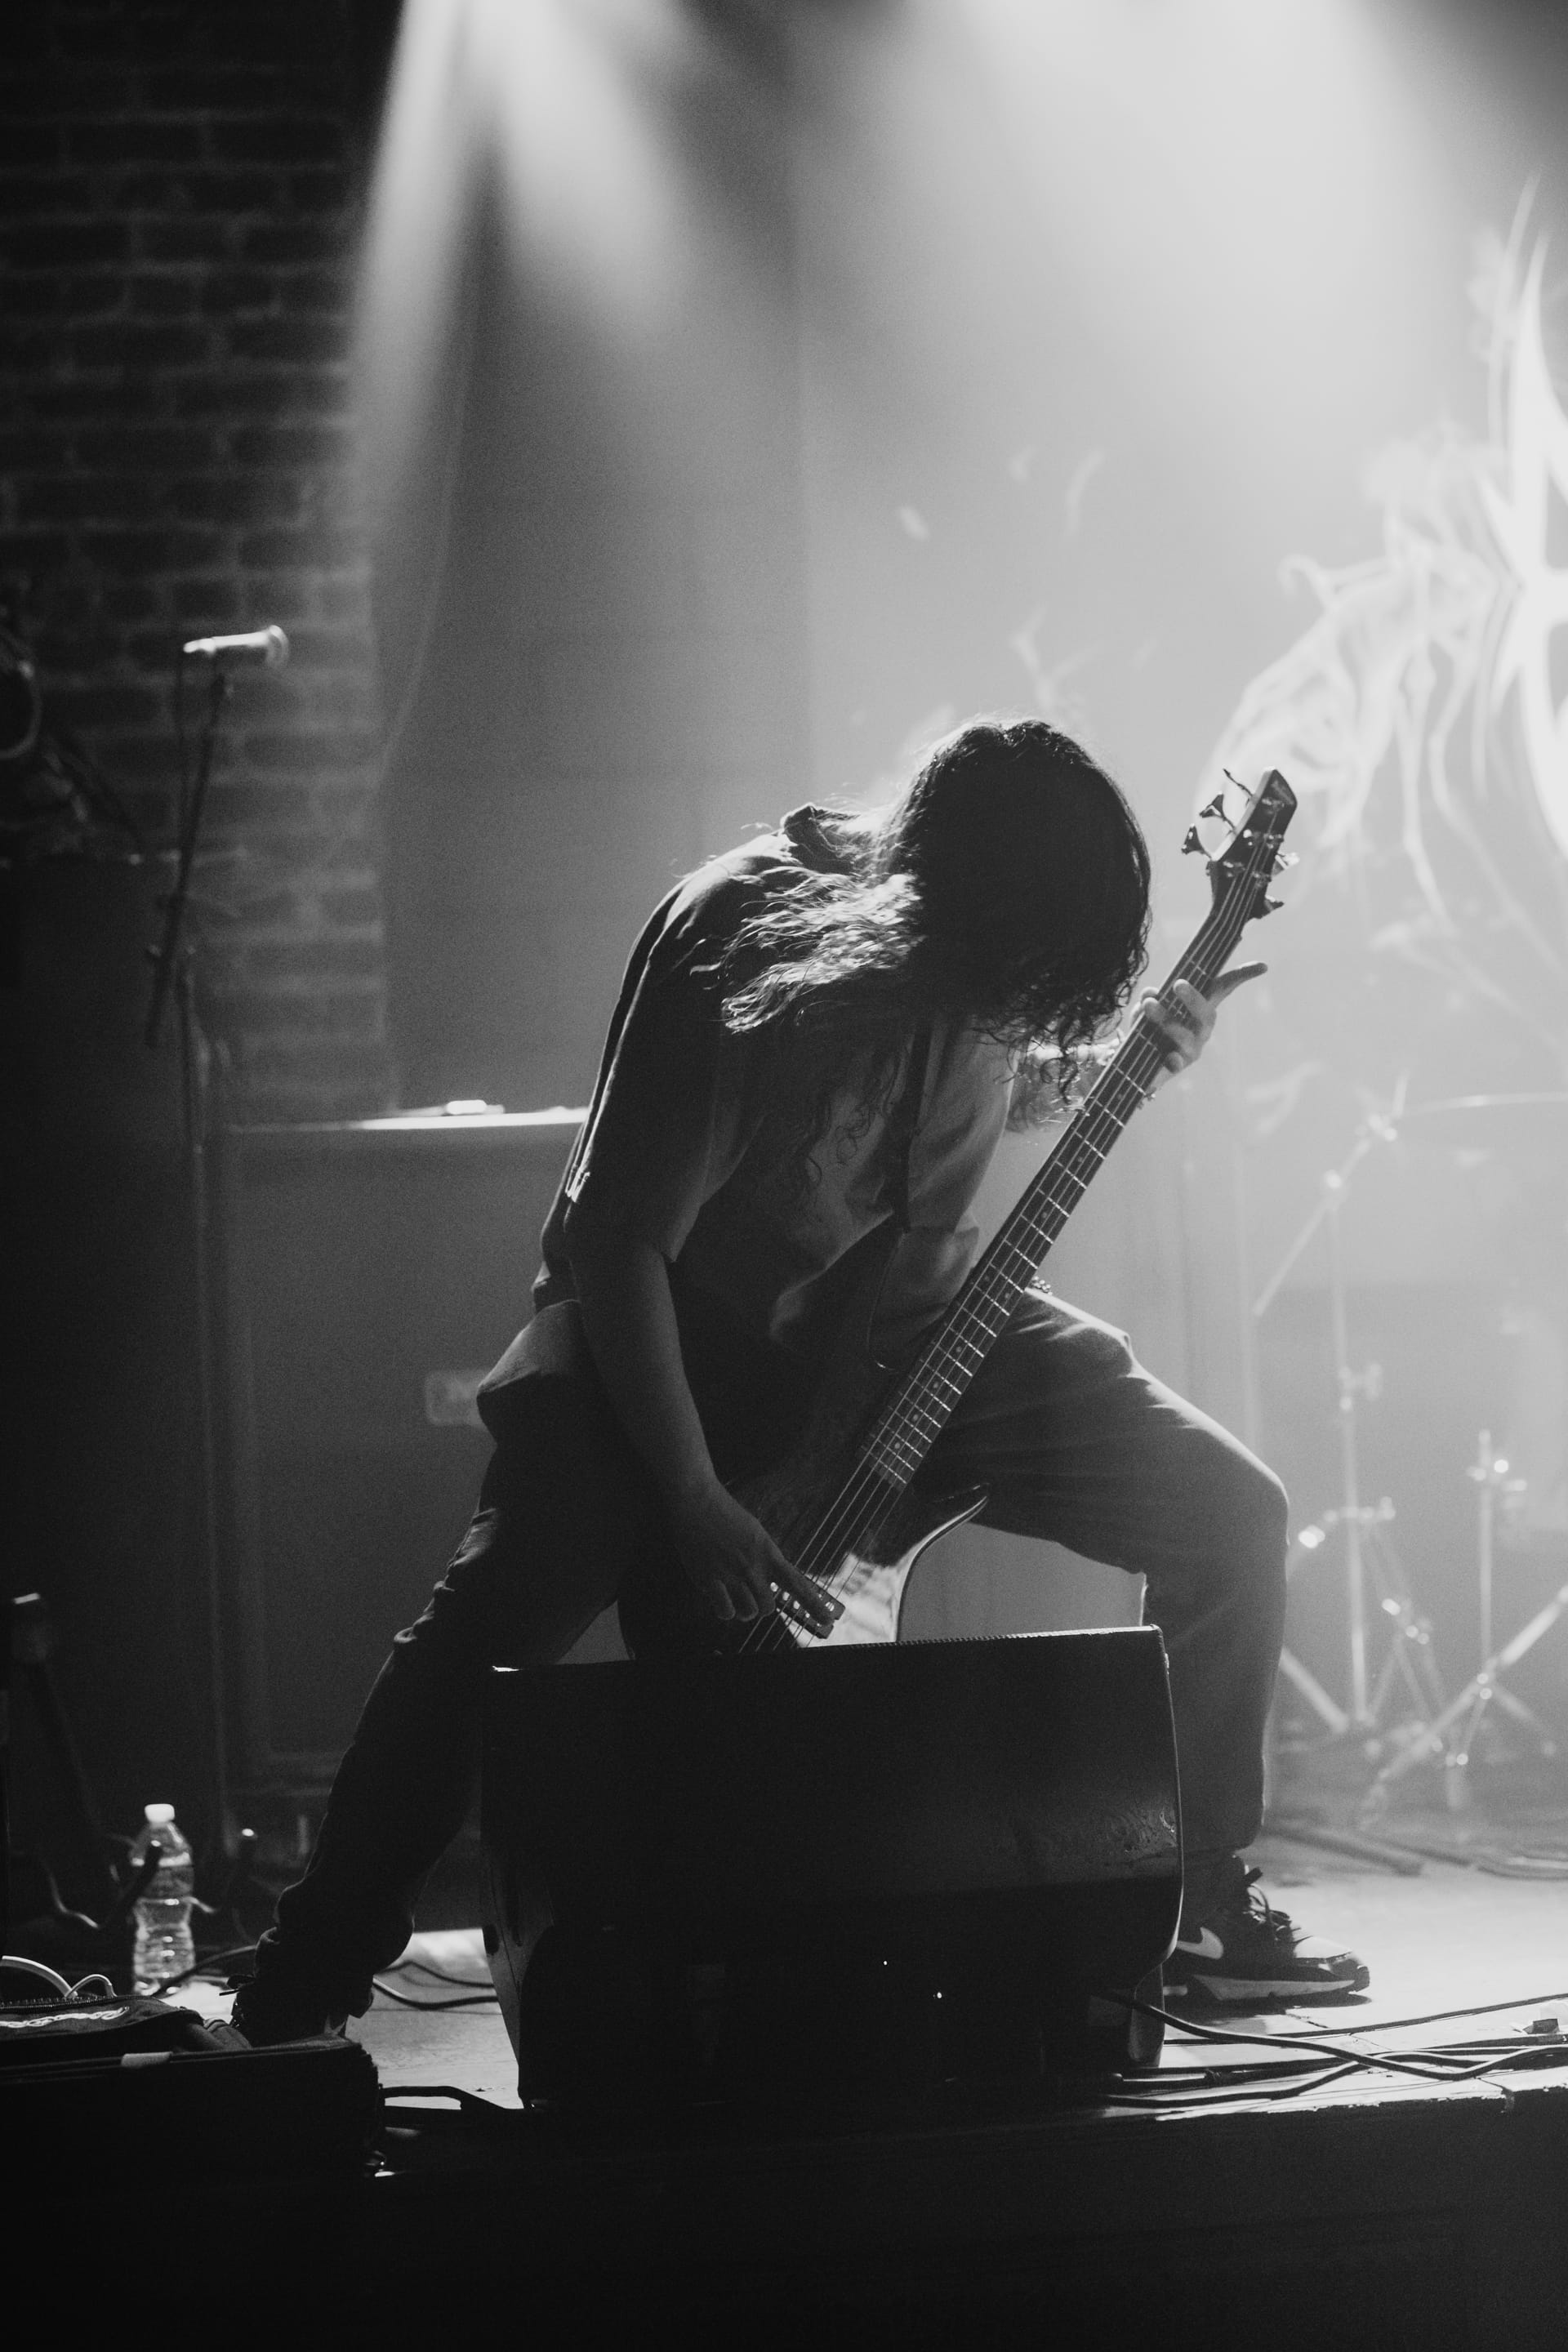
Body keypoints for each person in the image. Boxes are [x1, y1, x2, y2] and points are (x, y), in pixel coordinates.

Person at [234, 716, 1366, 2042]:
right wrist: (691, 1492)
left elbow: (994, 1090)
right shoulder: (742, 944)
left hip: (918, 1331)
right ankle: (309, 1971)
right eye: (1013, 984)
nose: (1011, 1009)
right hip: (683, 1344)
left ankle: (1205, 1897)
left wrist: (1124, 1065)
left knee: (1230, 1515)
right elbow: (619, 1243)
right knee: (498, 1619)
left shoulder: (976, 954)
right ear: (950, 918)